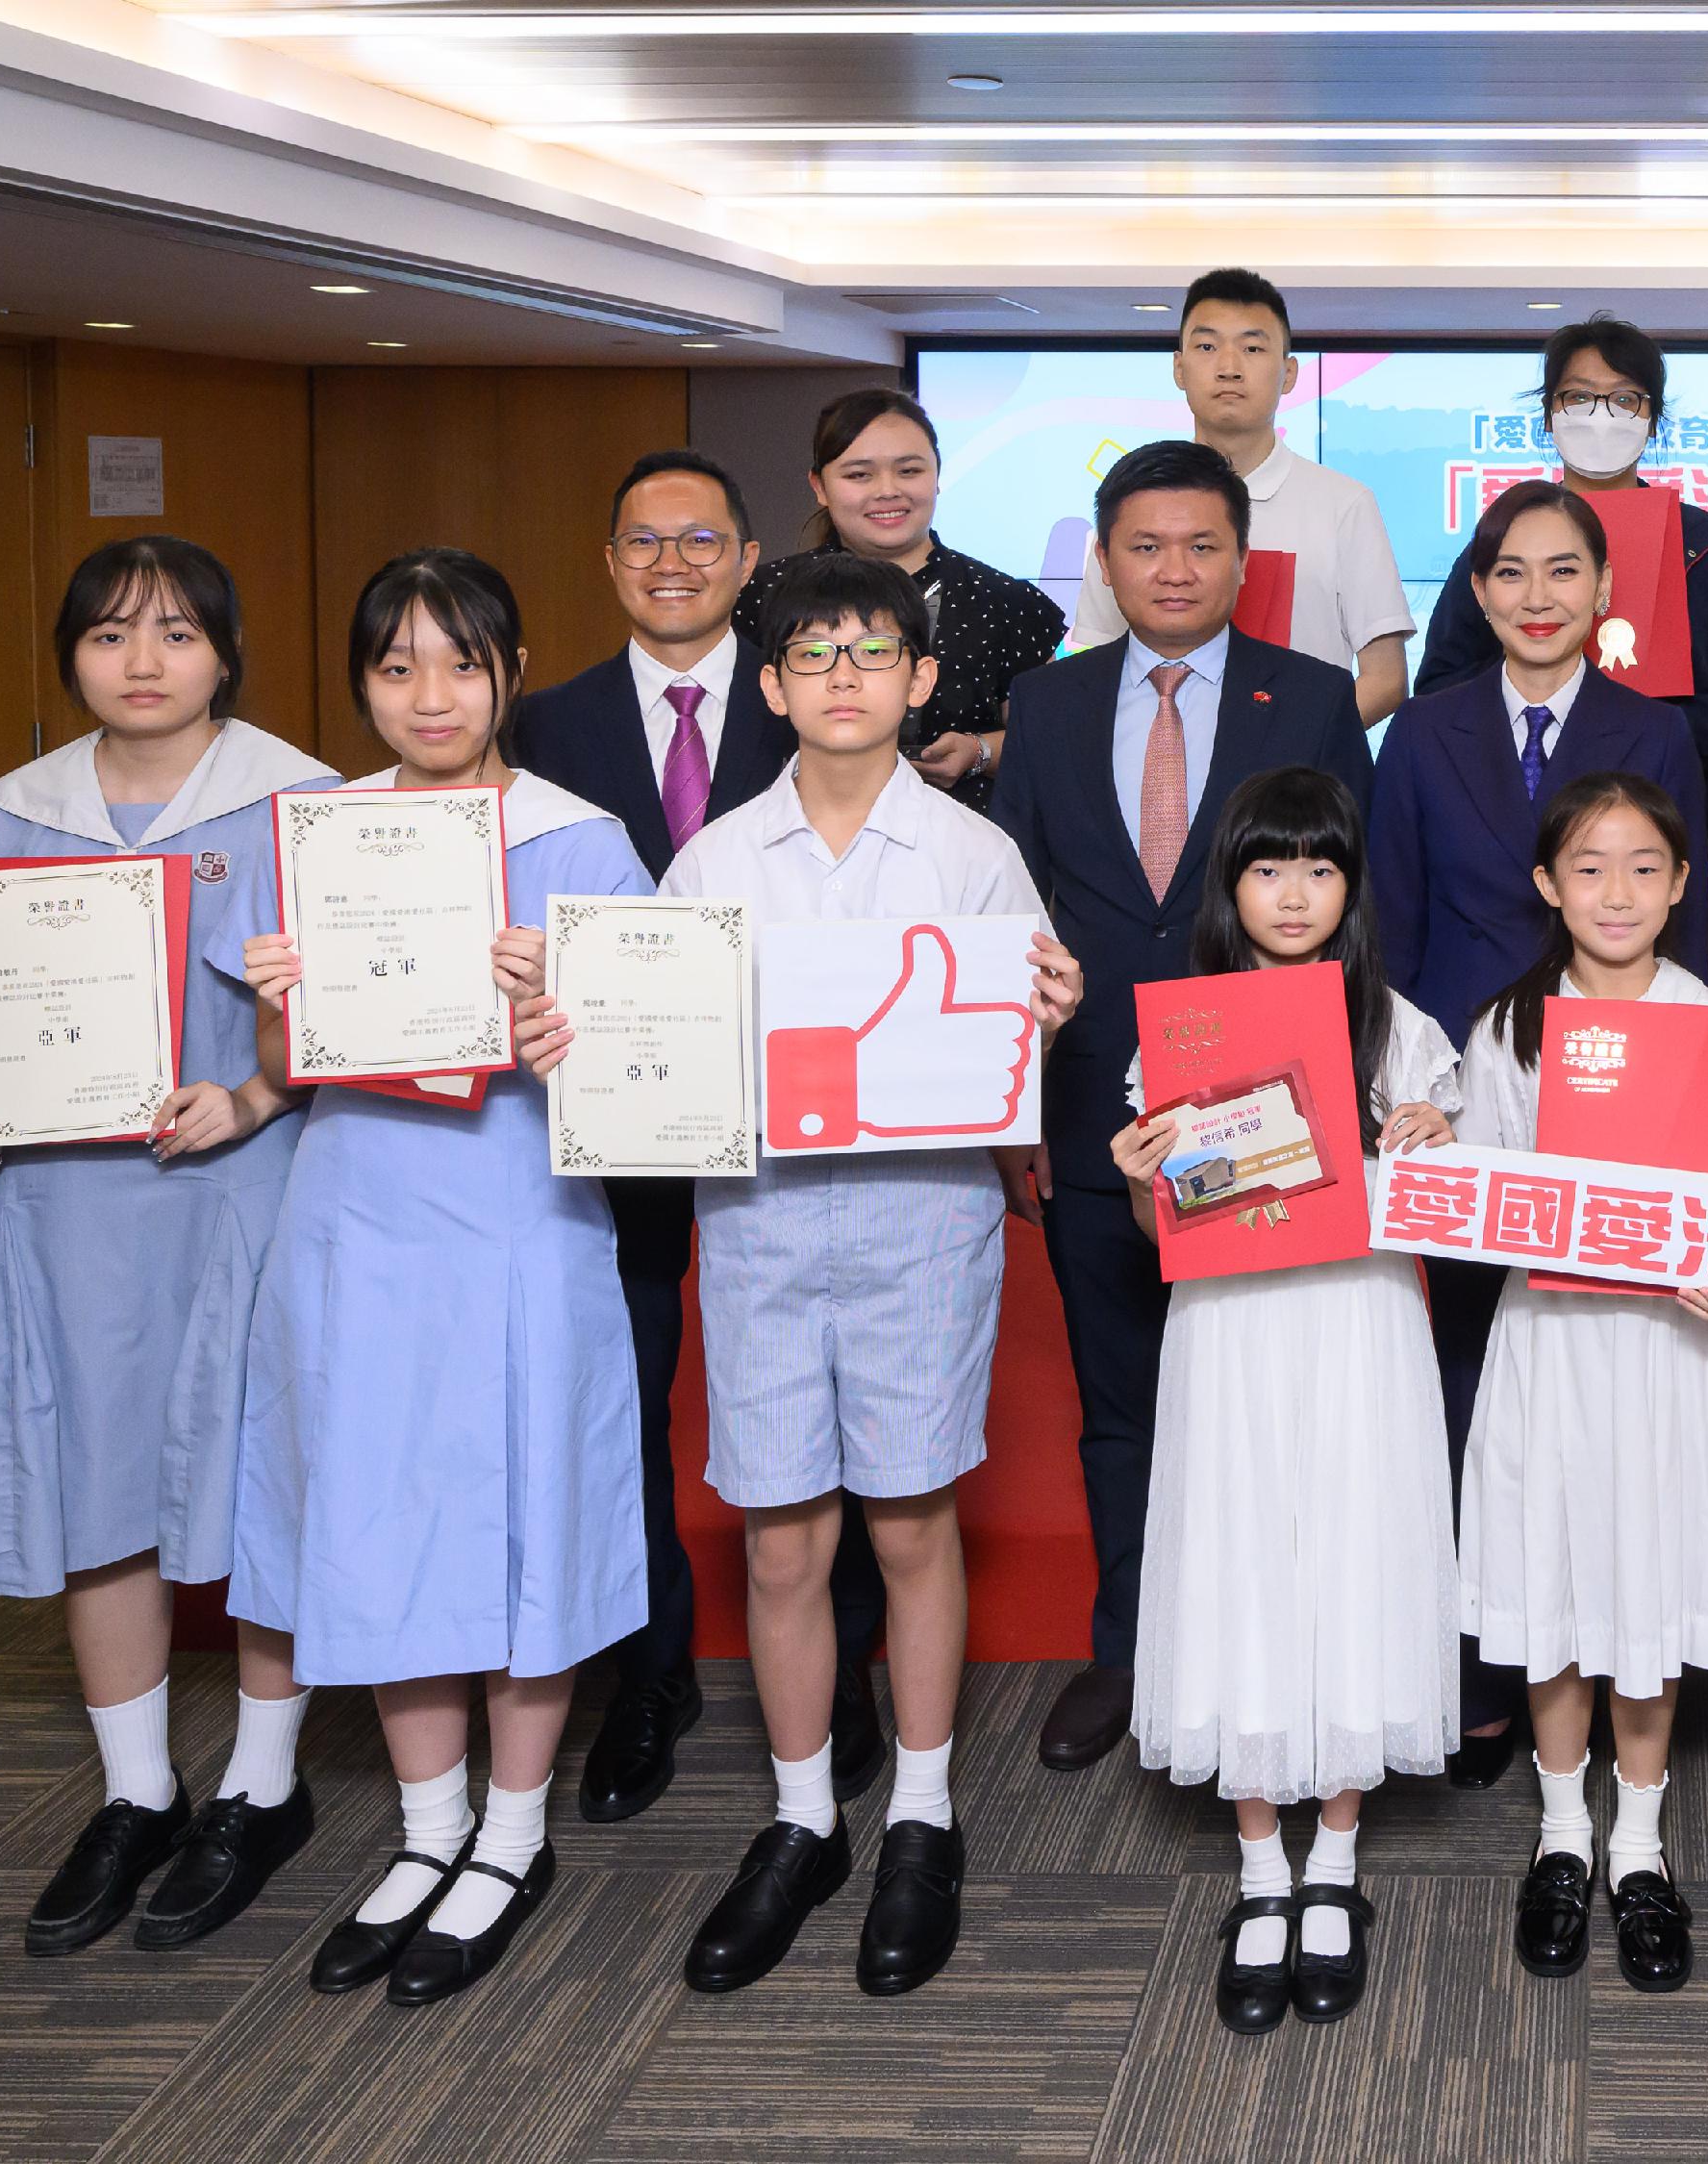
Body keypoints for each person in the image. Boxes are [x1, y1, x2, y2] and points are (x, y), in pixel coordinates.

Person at [533, 556, 1081, 1998]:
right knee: (782, 1540)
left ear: (917, 682)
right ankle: (796, 1819)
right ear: (770, 688)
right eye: (814, 654)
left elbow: (1019, 1046)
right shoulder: (714, 860)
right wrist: (582, 1038)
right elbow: (657, 1041)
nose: (845, 673)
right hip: (762, 1223)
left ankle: (919, 1808)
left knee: (909, 1524)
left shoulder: (971, 853)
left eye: (874, 650)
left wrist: (1050, 1009)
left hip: (919, 1228)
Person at [229, 549, 650, 2007]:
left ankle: (512, 1836)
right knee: (381, 1503)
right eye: (397, 665)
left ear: (511, 673)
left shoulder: (580, 839)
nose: (430, 695)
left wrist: (564, 1023)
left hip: (521, 1213)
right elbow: (284, 1074)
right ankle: (425, 1831)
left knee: (521, 1516)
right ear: (360, 683)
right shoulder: (320, 833)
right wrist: (288, 1008)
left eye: (461, 663)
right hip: (358, 1221)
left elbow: (651, 1074)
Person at [0, 538, 337, 1958]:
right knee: (98, 1481)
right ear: (72, 656)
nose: (141, 661)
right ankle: (139, 1790)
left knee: (261, 1478)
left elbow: (345, 1013)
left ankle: (265, 1785)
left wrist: (259, 1092)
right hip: (68, 1201)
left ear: (225, 649)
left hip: (241, 1184)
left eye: (172, 633)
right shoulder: (13, 810)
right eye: (107, 635)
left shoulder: (301, 800)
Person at [992, 438, 1374, 1774]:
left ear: (1243, 563)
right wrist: (1017, 1111)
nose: (1174, 567)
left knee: (1273, 1398)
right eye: (1146, 545)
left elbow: (1348, 899)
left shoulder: (1314, 695)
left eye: (1202, 545)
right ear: (1104, 560)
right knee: (1124, 1405)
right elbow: (1011, 912)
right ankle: (1128, 1651)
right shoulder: (1044, 703)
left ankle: (1285, 1646)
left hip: (1272, 1120)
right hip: (1103, 1117)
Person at [510, 448, 862, 1826]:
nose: (672, 564)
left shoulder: (811, 702)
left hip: (803, 1132)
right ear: (610, 562)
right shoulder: (540, 723)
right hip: (618, 1122)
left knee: (828, 1405)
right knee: (634, 1392)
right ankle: (653, 1670)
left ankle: (848, 1675)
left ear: (746, 558)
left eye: (701, 540)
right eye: (644, 542)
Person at [1112, 766, 1462, 2035]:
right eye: (1270, 866)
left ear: (1352, 887)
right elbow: (1164, 1220)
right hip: (1235, 1333)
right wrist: (1142, 1172)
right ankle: (1261, 1863)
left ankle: (1336, 1863)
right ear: (1233, 884)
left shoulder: (1404, 1029)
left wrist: (1432, 1137)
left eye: (1321, 867)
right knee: (1242, 1556)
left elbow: (1444, 1207)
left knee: (1351, 1555)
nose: (1297, 891)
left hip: (1360, 1327)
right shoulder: (1187, 1029)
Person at [1373, 479, 1708, 1781]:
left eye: (1565, 571)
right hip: (1470, 1096)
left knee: (1604, 1379)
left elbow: (1674, 915)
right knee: (1471, 1382)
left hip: (1622, 1090)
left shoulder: (1655, 727)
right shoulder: (1423, 729)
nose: (1538, 597)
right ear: (1476, 589)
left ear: (1604, 591)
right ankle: (1483, 1669)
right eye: (1511, 573)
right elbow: (1391, 923)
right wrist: (1398, 1082)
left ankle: (1614, 1642)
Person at [1458, 771, 1708, 1996]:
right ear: (1548, 886)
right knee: (1553, 1579)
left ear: (1681, 884)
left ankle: (1639, 1846)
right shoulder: (1509, 1029)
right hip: (1552, 1348)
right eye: (1589, 867)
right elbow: (1482, 1210)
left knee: (1643, 1588)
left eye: (1645, 866)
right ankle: (1560, 1834)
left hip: (1668, 1357)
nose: (1617, 890)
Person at [1412, 313, 1708, 767]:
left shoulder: (1705, 545)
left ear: (1653, 421)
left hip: (1667, 793)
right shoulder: (1501, 540)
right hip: (1525, 789)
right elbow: (1441, 684)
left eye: (1625, 398)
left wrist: (1645, 731)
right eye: (1579, 397)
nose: (1600, 415)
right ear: (1550, 416)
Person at [1068, 267, 1418, 726]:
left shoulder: (1343, 504)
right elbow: (1097, 660)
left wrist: (1296, 753)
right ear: (1178, 367)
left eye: (1252, 348)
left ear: (1289, 373)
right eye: (1207, 347)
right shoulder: (1135, 502)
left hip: (1294, 788)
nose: (1229, 367)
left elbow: (1386, 678)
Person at [735, 387, 1066, 809]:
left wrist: (979, 751)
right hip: (789, 843)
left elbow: (1052, 743)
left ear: (938, 474)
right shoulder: (763, 594)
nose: (888, 490)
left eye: (909, 471)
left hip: (963, 848)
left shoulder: (1007, 602)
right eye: (859, 475)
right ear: (819, 486)